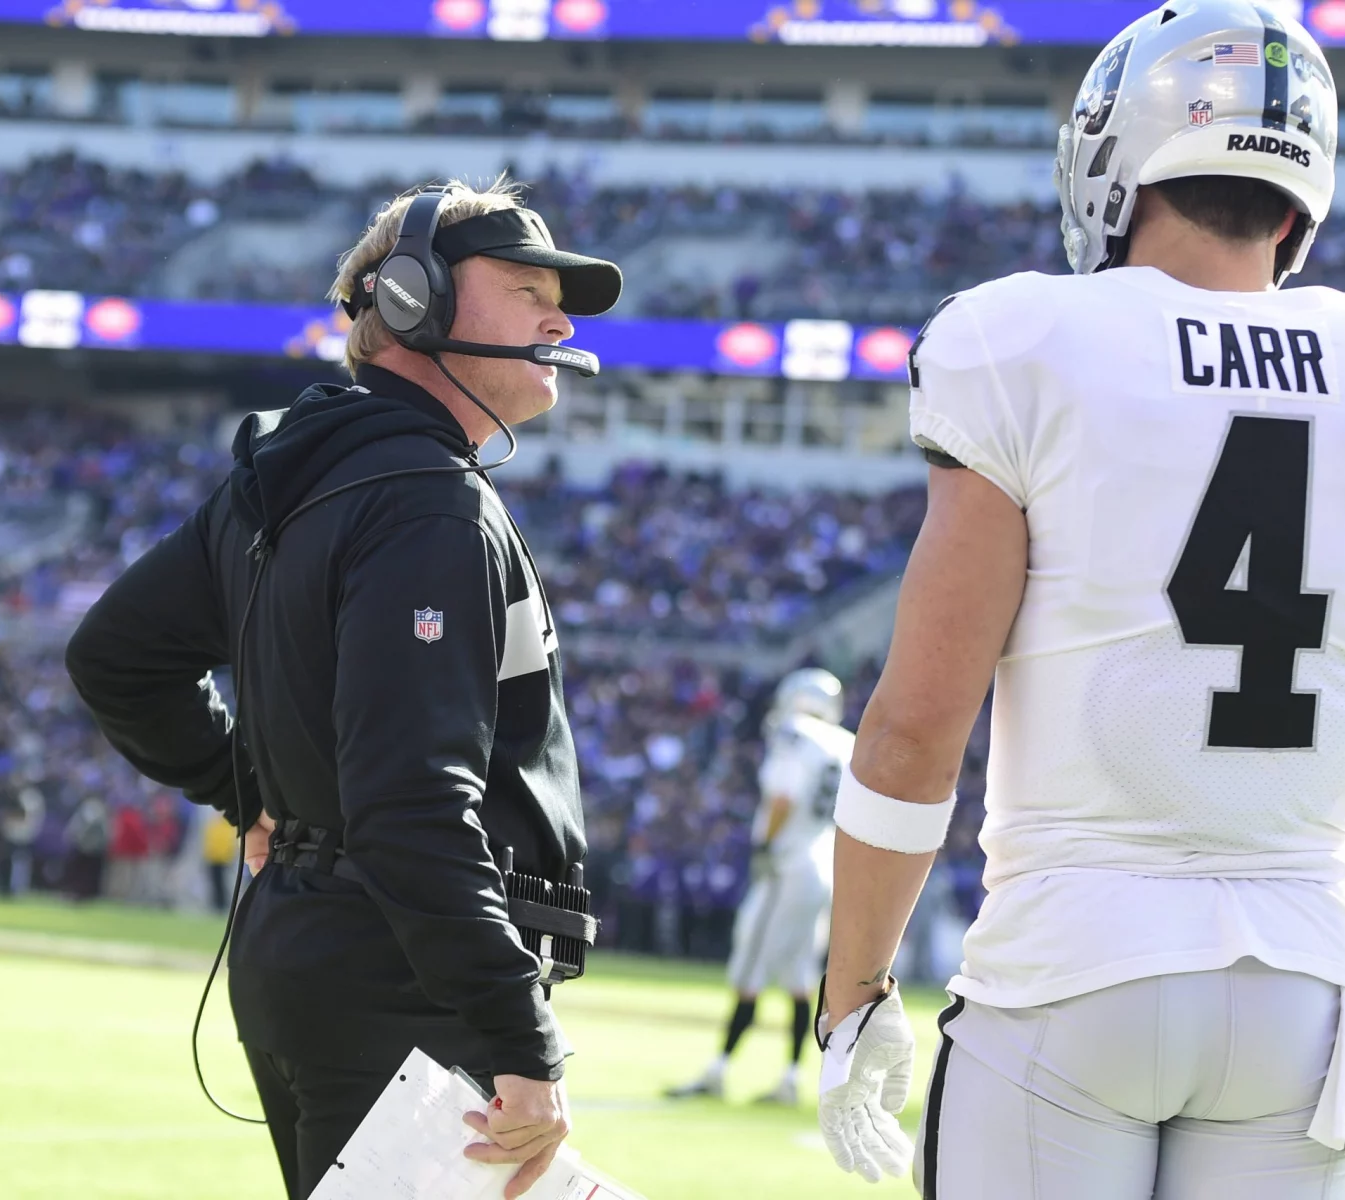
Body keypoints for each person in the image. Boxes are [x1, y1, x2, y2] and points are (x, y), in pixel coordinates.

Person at [812, 4, 1345, 1197]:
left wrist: (851, 998)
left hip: (1072, 965)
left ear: (1112, 158)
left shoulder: (1028, 339)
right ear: (1301, 201)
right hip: (1303, 990)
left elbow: (915, 730)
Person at [66, 176, 621, 1200]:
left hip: (309, 946)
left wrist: (252, 795)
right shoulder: (427, 503)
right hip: (400, 976)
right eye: (526, 286)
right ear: (414, 299)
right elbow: (415, 800)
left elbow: (115, 657)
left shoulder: (287, 476)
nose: (560, 317)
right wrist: (518, 1035)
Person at [668, 668, 852, 1105]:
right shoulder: (845, 743)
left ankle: (718, 1071)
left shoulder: (794, 734)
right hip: (822, 864)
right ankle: (792, 1077)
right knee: (799, 978)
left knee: (750, 968)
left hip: (787, 864)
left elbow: (784, 796)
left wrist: (767, 844)